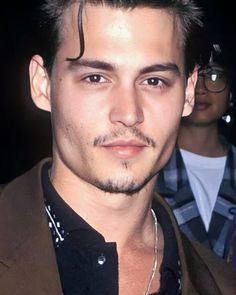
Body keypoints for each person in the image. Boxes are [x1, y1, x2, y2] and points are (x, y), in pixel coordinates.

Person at [0, 1, 235, 294]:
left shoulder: (223, 283)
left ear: (188, 93)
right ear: (42, 85)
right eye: (96, 78)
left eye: (153, 81)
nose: (128, 113)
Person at [156, 30, 236, 260]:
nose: (200, 88)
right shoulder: (149, 167)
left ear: (231, 92)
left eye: (213, 77)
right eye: (192, 75)